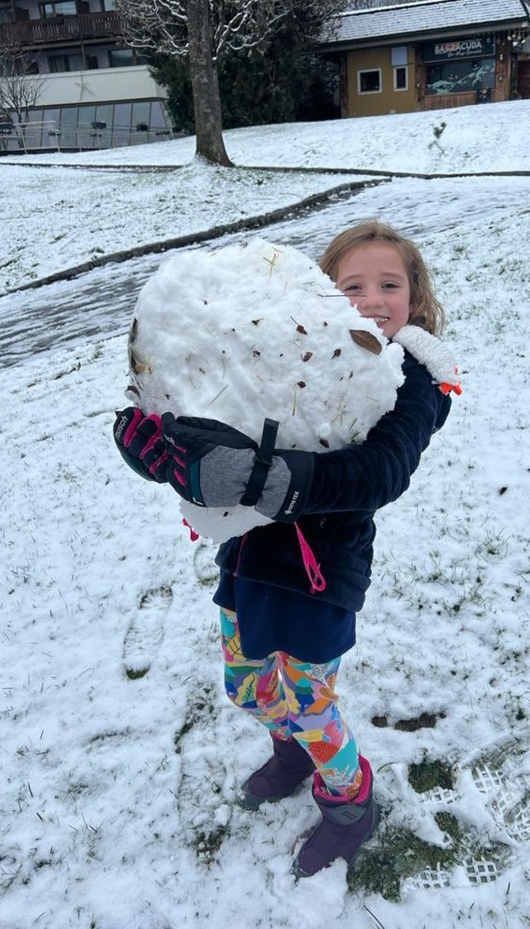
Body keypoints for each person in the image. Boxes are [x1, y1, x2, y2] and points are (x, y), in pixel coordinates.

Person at [113, 220, 452, 878]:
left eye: (390, 283)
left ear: (414, 295)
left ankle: (350, 800)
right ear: (318, 294)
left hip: (323, 574)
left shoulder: (414, 379)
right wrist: (155, 443)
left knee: (305, 694)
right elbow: (218, 410)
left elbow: (384, 470)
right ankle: (295, 752)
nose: (372, 299)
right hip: (247, 559)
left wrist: (271, 482)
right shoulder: (287, 348)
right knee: (246, 684)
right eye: (351, 285)